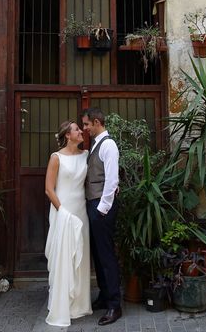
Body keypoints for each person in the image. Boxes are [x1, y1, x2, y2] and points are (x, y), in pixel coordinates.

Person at [44, 121, 92, 327]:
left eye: (81, 129)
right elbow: (49, 189)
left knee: (81, 256)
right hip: (63, 211)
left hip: (81, 211)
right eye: (76, 129)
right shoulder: (56, 158)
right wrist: (62, 211)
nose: (81, 131)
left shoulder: (86, 155)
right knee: (63, 257)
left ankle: (79, 305)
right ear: (67, 135)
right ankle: (62, 305)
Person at [81, 107, 122, 326]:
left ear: (97, 122)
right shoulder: (96, 144)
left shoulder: (108, 145)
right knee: (98, 254)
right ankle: (105, 296)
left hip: (101, 206)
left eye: (87, 124)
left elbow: (112, 180)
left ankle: (115, 305)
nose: (85, 129)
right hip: (94, 204)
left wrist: (102, 209)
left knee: (106, 256)